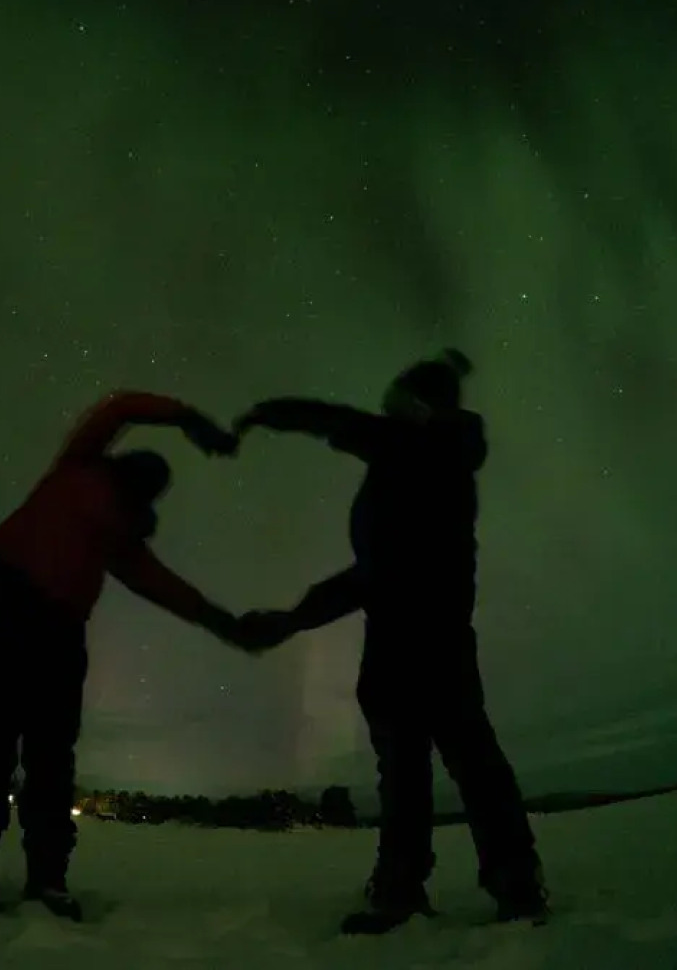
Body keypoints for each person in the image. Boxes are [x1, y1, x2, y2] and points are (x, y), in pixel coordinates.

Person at [232, 349, 547, 933]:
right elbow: (376, 571)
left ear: (417, 406)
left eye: (398, 404)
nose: (386, 413)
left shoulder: (415, 448)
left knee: (430, 767)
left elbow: (336, 423)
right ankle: (497, 881)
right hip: (427, 635)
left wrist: (266, 413)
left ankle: (419, 885)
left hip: (414, 639)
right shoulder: (431, 461)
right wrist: (297, 618)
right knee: (456, 763)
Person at [0, 390, 247, 920]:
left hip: (54, 633)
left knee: (47, 758)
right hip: (9, 610)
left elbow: (157, 583)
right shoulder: (81, 465)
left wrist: (215, 618)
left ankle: (44, 877)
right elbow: (121, 408)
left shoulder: (117, 532)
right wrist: (186, 416)